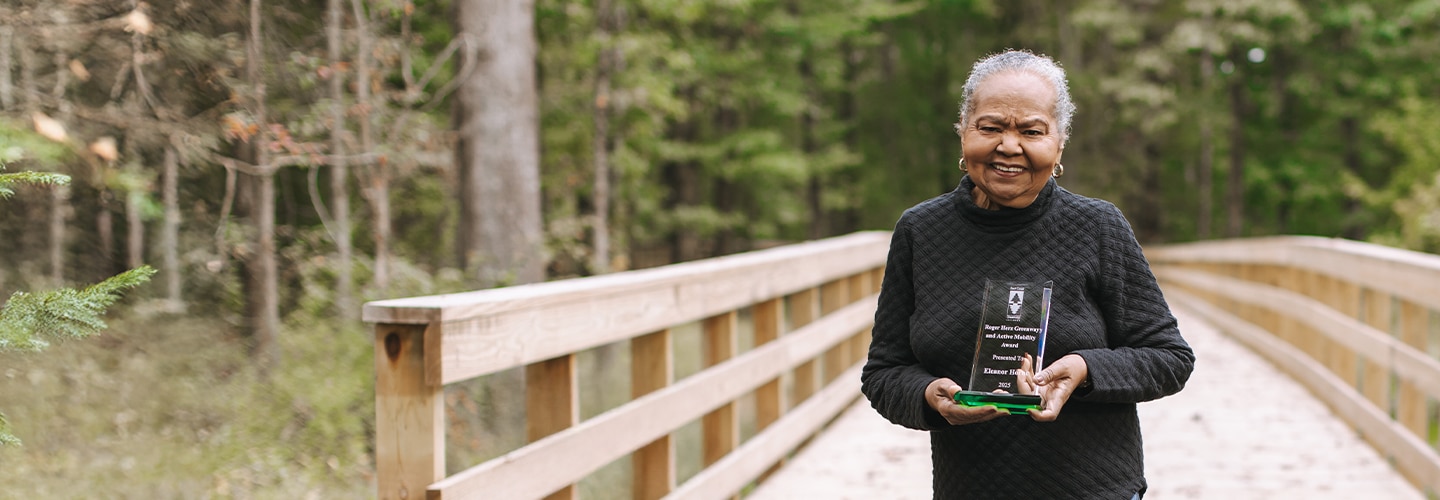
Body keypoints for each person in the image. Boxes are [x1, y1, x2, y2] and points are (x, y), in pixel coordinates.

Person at [860, 49, 1195, 500]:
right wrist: (928, 396)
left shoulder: (1097, 226)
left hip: (1094, 490)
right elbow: (884, 372)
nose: (1008, 146)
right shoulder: (921, 231)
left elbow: (1170, 358)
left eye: (1031, 131)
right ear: (963, 130)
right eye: (990, 127)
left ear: (1059, 143)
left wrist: (1084, 369)